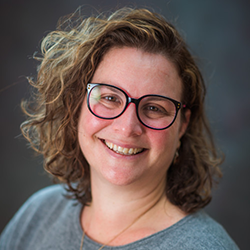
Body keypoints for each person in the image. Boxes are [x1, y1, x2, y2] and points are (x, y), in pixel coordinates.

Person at [0, 7, 239, 250]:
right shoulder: (38, 214)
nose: (127, 128)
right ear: (76, 105)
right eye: (111, 98)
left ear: (182, 126)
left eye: (154, 108)